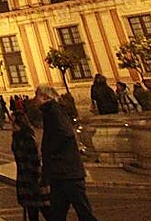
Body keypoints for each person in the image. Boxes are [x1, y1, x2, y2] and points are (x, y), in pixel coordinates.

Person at [34, 83, 98, 221]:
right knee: (58, 213)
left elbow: (66, 134)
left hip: (67, 172)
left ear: (45, 97)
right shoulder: (51, 111)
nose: (35, 100)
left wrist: (52, 153)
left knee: (83, 212)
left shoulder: (53, 111)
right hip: (60, 172)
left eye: (37, 96)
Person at [11, 110, 49, 221]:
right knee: (32, 213)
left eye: (13, 122)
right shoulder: (17, 137)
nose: (11, 124)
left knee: (46, 211)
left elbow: (35, 161)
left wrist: (36, 181)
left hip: (33, 181)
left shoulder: (27, 138)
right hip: (25, 180)